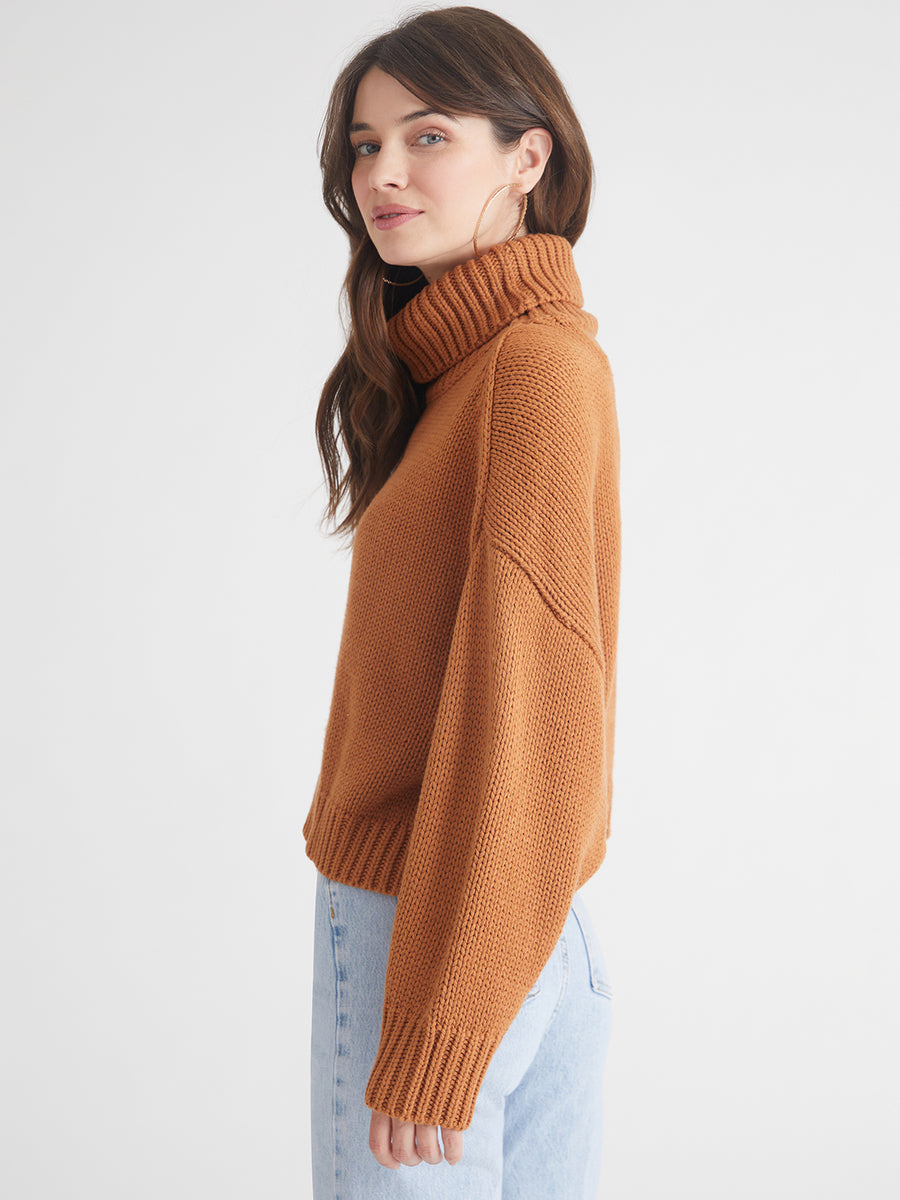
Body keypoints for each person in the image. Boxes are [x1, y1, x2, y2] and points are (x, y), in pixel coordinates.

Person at [302, 6, 622, 1197]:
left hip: (440, 927)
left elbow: (524, 722)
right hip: (512, 918)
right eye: (364, 145)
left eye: (427, 136)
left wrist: (440, 1015)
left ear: (528, 158)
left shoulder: (527, 372)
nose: (382, 173)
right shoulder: (470, 372)